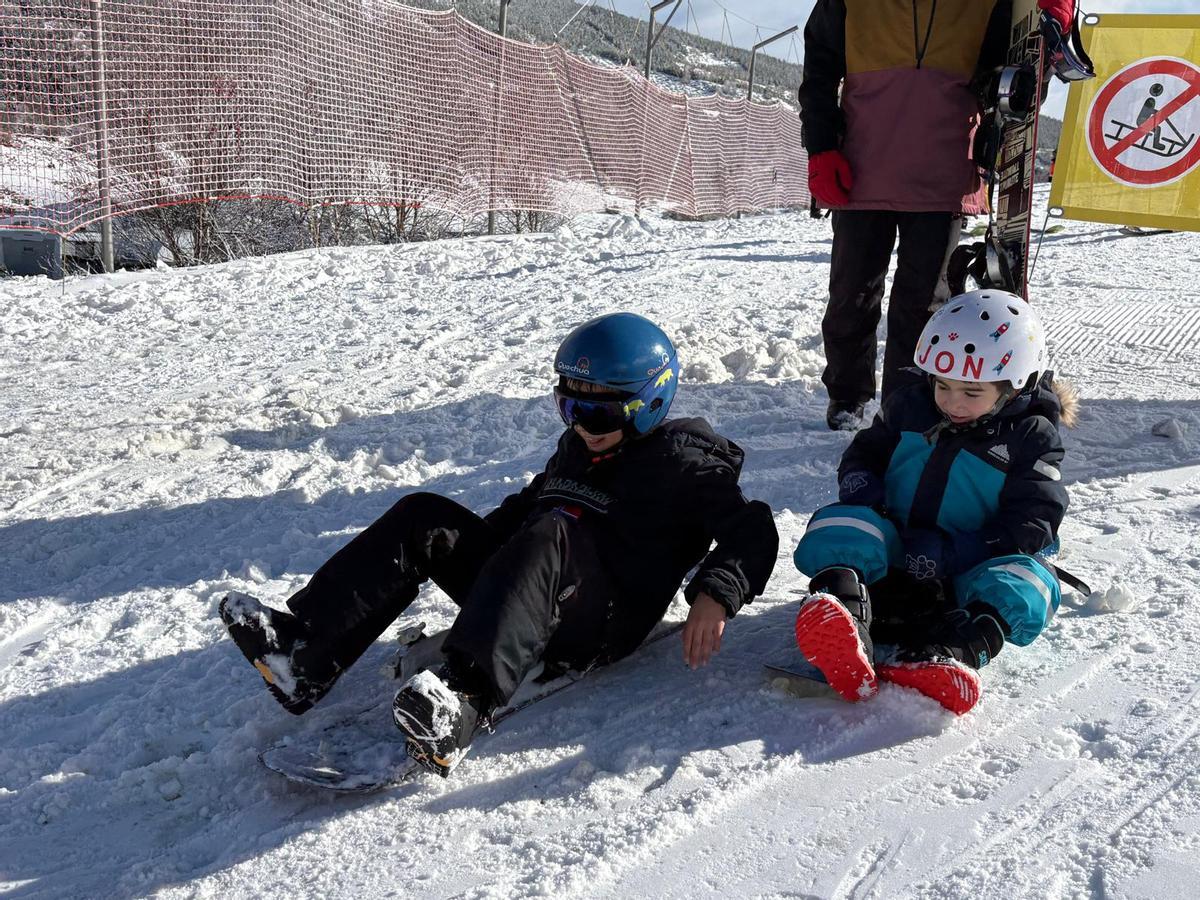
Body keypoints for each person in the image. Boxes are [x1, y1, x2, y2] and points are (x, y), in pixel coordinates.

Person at [220, 312, 778, 776]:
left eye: (598, 410)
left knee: (554, 529)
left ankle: (462, 701)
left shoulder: (686, 464)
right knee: (425, 515)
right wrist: (472, 552)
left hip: (599, 620)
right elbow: (526, 509)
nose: (581, 422)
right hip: (538, 587)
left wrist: (716, 594)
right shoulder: (579, 449)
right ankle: (305, 655)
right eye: (569, 405)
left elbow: (753, 529)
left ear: (650, 401)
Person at [790, 290, 1077, 714]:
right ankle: (846, 621)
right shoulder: (910, 405)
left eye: (971, 391)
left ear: (1014, 387)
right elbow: (864, 453)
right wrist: (861, 484)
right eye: (942, 384)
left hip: (965, 579)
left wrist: (960, 551)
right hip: (890, 561)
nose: (952, 401)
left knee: (1031, 581)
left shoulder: (1030, 436)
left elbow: (1035, 522)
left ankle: (951, 653)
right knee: (839, 523)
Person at [798, 0, 1075, 431]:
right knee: (851, 295)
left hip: (944, 171)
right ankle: (847, 395)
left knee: (925, 304)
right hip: (861, 167)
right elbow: (819, 64)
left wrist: (1052, 18)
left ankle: (907, 403)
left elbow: (1015, 70)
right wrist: (820, 144)